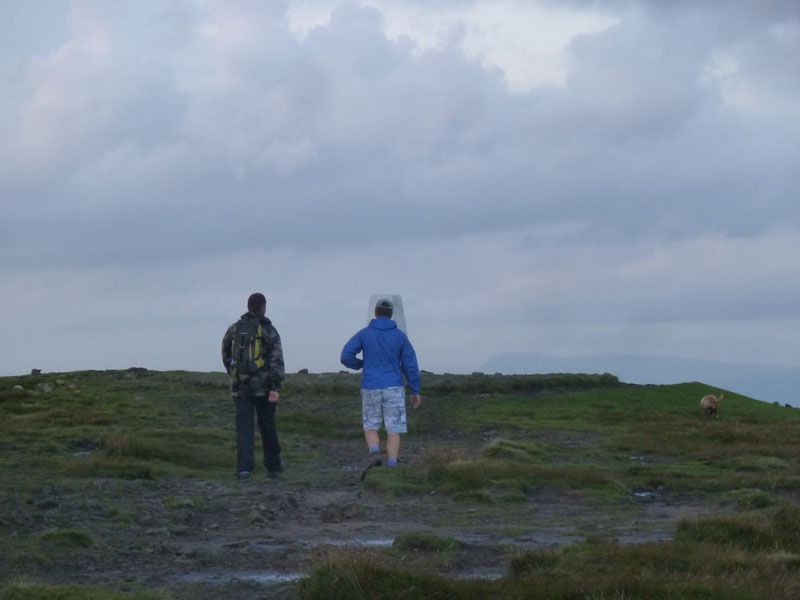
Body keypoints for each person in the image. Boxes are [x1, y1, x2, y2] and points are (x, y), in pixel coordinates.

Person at [340, 298, 421, 468]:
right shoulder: (400, 336)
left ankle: (375, 451)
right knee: (394, 428)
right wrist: (415, 390)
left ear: (375, 313)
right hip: (394, 387)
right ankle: (392, 463)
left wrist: (361, 364)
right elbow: (410, 365)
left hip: (370, 386)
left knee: (370, 425)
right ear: (391, 315)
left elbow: (346, 356)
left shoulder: (364, 333)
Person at [221, 293, 285, 480]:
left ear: (248, 306)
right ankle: (273, 467)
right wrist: (275, 385)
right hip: (264, 386)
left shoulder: (233, 329)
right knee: (267, 425)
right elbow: (276, 359)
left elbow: (225, 354)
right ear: (264, 307)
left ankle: (244, 469)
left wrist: (234, 374)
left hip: (240, 385)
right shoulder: (269, 330)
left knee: (244, 427)